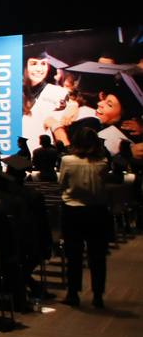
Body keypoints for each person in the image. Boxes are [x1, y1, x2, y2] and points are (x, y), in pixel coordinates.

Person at [59, 126, 111, 307]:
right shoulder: (103, 162)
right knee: (98, 256)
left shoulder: (67, 160)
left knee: (74, 255)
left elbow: (62, 183)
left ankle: (73, 294)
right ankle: (98, 295)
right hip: (97, 212)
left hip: (73, 211)